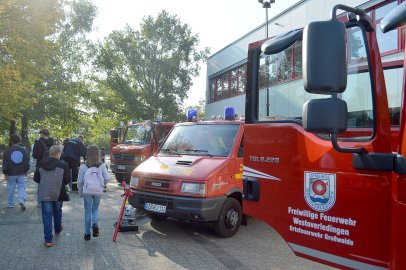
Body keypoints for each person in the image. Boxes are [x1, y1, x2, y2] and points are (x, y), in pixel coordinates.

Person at [34, 145, 71, 247]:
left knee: (47, 216)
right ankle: (58, 229)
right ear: (58, 154)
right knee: (58, 211)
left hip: (45, 193)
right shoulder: (63, 164)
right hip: (58, 193)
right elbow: (67, 179)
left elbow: (36, 178)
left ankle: (48, 240)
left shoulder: (41, 164)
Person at [78, 145, 110, 240]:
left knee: (87, 211)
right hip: (98, 191)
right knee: (95, 209)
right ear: (98, 154)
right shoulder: (102, 165)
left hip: (87, 190)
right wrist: (102, 184)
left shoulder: (83, 166)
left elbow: (79, 181)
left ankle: (87, 234)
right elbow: (107, 178)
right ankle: (95, 224)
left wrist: (80, 191)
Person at [2, 134, 30, 210]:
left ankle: (10, 203)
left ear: (11, 141)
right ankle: (21, 200)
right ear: (19, 140)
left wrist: (5, 173)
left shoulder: (8, 151)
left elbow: (5, 163)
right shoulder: (23, 150)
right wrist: (26, 170)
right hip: (21, 172)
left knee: (10, 187)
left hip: (11, 173)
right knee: (22, 187)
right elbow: (26, 161)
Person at [32, 128, 55, 206]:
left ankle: (40, 202)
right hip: (51, 164)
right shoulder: (53, 142)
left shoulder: (38, 142)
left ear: (42, 134)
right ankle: (50, 200)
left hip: (41, 165)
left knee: (41, 183)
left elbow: (34, 155)